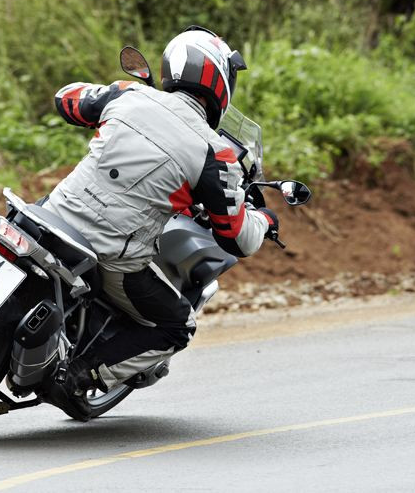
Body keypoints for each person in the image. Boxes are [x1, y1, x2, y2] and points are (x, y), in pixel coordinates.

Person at [41, 26, 279, 409]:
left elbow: (66, 98)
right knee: (178, 325)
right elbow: (236, 236)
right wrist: (265, 219)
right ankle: (78, 375)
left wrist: (104, 106)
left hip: (52, 217)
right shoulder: (215, 153)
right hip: (111, 253)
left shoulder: (128, 94)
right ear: (220, 82)